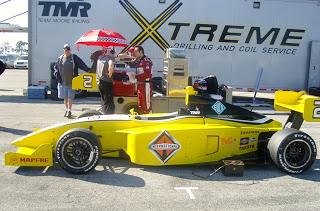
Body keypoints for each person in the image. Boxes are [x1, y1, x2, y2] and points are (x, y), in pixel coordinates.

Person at [54, 44, 90, 118]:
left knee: (70, 97)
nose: (66, 51)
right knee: (65, 97)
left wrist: (88, 70)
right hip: (62, 82)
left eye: (68, 50)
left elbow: (81, 64)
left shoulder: (74, 57)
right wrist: (56, 75)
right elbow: (56, 67)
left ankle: (69, 110)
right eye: (65, 50)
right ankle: (67, 109)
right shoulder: (60, 58)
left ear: (70, 50)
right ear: (64, 50)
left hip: (72, 81)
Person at [132, 46, 153, 114]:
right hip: (140, 85)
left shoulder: (146, 61)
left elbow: (146, 74)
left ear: (141, 52)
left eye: (136, 52)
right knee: (140, 103)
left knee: (147, 104)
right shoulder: (138, 61)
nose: (134, 53)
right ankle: (141, 116)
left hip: (146, 84)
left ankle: (149, 118)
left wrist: (136, 76)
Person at [96, 47, 115, 114]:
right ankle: (108, 116)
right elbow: (111, 66)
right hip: (107, 82)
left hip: (100, 81)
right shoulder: (110, 58)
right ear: (109, 50)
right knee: (109, 102)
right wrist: (110, 74)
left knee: (104, 100)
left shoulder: (100, 57)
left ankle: (104, 113)